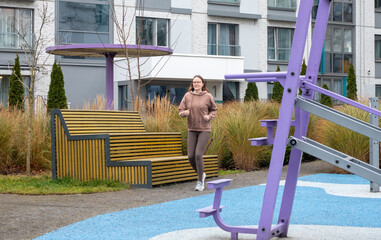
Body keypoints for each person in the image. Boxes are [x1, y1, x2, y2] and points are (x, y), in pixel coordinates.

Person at [178, 75, 218, 191]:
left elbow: (214, 109)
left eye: (198, 82)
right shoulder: (187, 96)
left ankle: (200, 181)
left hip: (204, 129)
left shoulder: (207, 96)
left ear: (202, 84)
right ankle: (202, 174)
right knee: (190, 156)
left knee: (198, 155)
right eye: (194, 82)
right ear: (192, 84)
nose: (196, 84)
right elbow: (180, 110)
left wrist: (209, 116)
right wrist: (184, 113)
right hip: (192, 129)